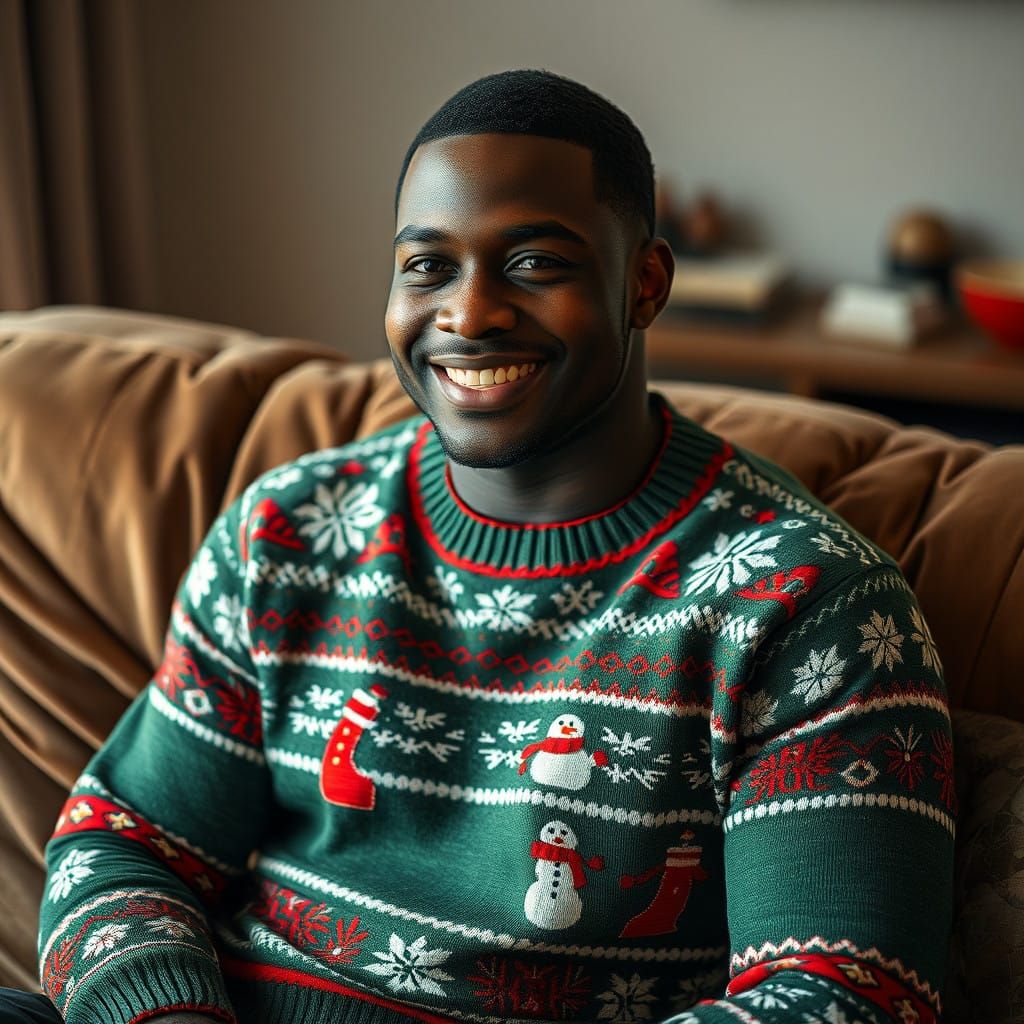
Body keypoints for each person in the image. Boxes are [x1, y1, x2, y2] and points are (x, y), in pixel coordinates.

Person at [12, 70, 952, 1024]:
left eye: (535, 264)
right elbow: (122, 841)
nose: (468, 315)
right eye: (428, 266)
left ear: (645, 284)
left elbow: (842, 995)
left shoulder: (809, 602)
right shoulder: (287, 533)